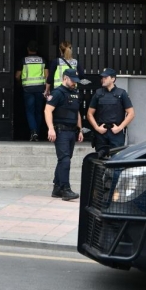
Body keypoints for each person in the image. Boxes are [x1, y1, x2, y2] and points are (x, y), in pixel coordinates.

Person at [44, 68, 83, 201]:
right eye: (72, 81)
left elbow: (76, 112)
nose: (74, 83)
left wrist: (80, 129)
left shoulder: (75, 93)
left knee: (64, 159)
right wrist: (51, 129)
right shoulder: (58, 93)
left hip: (72, 131)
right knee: (65, 159)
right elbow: (47, 110)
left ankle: (57, 188)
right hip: (61, 131)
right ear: (65, 78)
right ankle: (66, 189)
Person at [87, 68, 135, 158]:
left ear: (113, 79)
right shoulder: (98, 93)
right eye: (102, 77)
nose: (103, 79)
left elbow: (131, 113)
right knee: (100, 161)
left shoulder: (122, 93)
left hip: (116, 133)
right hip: (101, 133)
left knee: (116, 160)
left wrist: (120, 128)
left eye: (105, 77)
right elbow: (89, 113)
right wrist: (97, 128)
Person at [15, 41, 48, 141]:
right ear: (37, 49)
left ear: (28, 49)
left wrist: (19, 83)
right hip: (40, 89)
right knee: (38, 111)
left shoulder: (23, 60)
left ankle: (33, 132)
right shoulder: (43, 60)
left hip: (28, 89)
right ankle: (37, 132)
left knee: (30, 111)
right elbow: (47, 75)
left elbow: (17, 76)